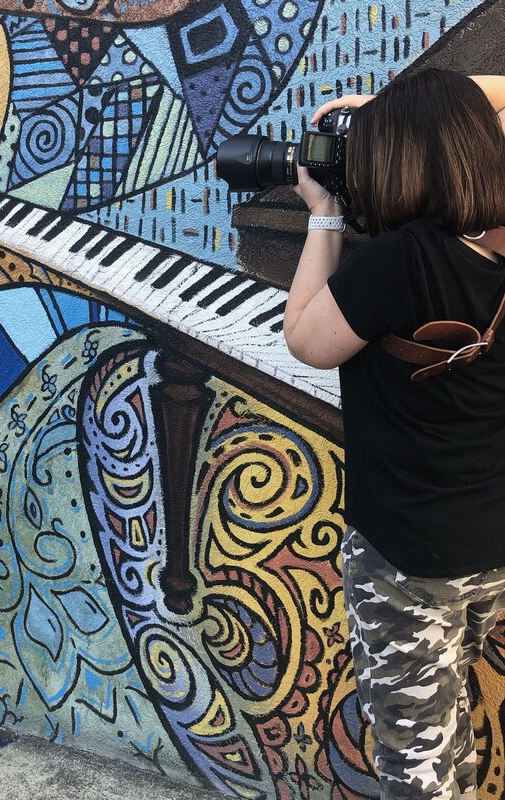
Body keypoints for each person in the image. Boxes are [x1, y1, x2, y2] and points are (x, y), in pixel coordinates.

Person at [284, 69, 505, 800]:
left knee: (418, 763)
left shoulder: (399, 258)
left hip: (408, 565)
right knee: (448, 733)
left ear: (399, 160)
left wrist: (323, 215)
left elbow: (309, 341)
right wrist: (413, 108)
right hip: (491, 550)